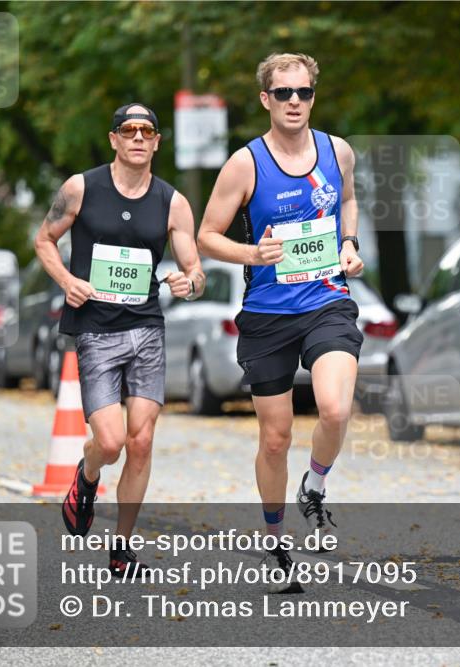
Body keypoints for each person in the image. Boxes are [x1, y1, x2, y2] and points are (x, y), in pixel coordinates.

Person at [198, 53, 364, 593]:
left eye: (305, 93)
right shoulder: (245, 164)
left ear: (314, 95)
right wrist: (252, 254)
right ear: (266, 99)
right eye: (284, 94)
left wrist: (348, 244)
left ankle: (314, 485)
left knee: (335, 408)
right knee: (275, 438)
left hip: (326, 300)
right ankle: (276, 538)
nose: (296, 102)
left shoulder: (337, 151)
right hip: (268, 314)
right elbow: (206, 236)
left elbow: (350, 202)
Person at [34, 103, 206, 578]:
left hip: (147, 327)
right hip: (95, 328)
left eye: (146, 131)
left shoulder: (172, 202)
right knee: (109, 443)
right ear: (113, 139)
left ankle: (122, 547)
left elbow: (196, 271)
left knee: (142, 440)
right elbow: (44, 240)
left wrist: (188, 282)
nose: (137, 137)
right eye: (128, 130)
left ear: (155, 142)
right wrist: (67, 280)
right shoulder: (81, 188)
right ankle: (87, 478)